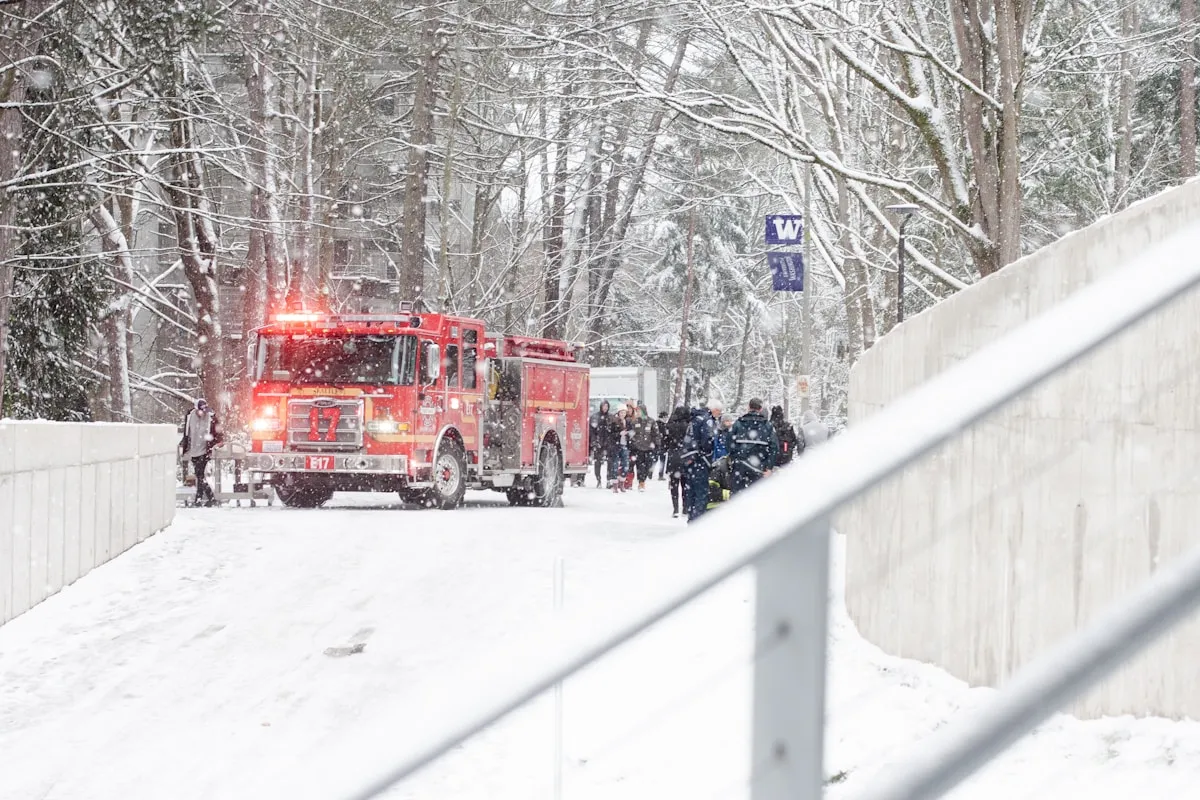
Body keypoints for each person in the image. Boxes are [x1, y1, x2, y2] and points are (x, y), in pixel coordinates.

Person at [728, 398, 780, 495]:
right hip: (759, 467)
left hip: (740, 466)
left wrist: (735, 457)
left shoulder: (738, 424)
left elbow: (729, 442)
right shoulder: (767, 426)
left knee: (737, 498)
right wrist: (769, 467)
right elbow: (774, 447)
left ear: (748, 407)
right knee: (757, 497)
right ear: (760, 409)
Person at [680, 400, 719, 522]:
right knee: (701, 492)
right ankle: (698, 521)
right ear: (714, 410)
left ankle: (691, 518)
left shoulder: (694, 419)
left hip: (689, 458)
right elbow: (707, 440)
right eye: (719, 411)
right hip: (700, 460)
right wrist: (709, 453)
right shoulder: (707, 420)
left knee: (690, 491)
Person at [180, 398, 223, 507]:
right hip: (194, 450)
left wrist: (215, 444)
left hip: (205, 450)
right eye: (201, 410)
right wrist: (184, 444)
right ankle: (209, 498)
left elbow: (218, 433)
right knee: (199, 475)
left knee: (199, 475)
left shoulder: (211, 418)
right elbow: (187, 432)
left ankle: (200, 499)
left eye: (204, 410)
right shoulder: (190, 417)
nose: (203, 412)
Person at [663, 406, 690, 518]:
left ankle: (675, 508)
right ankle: (685, 507)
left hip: (673, 456)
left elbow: (665, 441)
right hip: (685, 456)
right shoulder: (688, 426)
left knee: (674, 484)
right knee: (685, 484)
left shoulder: (670, 425)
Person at [629, 403, 661, 492]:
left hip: (649, 448)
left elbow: (656, 434)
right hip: (638, 448)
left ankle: (644, 478)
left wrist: (657, 444)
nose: (637, 413)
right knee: (639, 466)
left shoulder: (651, 421)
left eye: (639, 411)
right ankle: (641, 482)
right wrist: (633, 443)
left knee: (648, 465)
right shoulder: (635, 422)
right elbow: (631, 434)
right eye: (637, 411)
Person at [590, 400, 613, 487]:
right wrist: (594, 442)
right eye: (604, 406)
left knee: (610, 462)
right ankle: (598, 480)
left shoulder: (611, 417)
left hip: (608, 442)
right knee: (598, 462)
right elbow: (592, 431)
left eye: (606, 406)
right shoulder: (595, 417)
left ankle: (609, 480)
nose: (605, 408)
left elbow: (613, 429)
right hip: (598, 442)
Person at [610, 407, 632, 492]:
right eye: (621, 412)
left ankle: (622, 483)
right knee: (615, 465)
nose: (623, 414)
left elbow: (632, 432)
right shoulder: (614, 421)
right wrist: (619, 434)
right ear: (618, 413)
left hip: (625, 445)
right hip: (616, 445)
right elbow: (611, 434)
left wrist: (629, 434)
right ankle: (615, 485)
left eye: (624, 412)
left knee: (625, 465)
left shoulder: (628, 421)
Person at [655, 410, 669, 480]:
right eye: (665, 417)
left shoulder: (664, 425)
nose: (666, 419)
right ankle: (658, 474)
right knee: (658, 460)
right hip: (659, 445)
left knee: (659, 460)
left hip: (661, 445)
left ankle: (660, 474)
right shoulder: (659, 424)